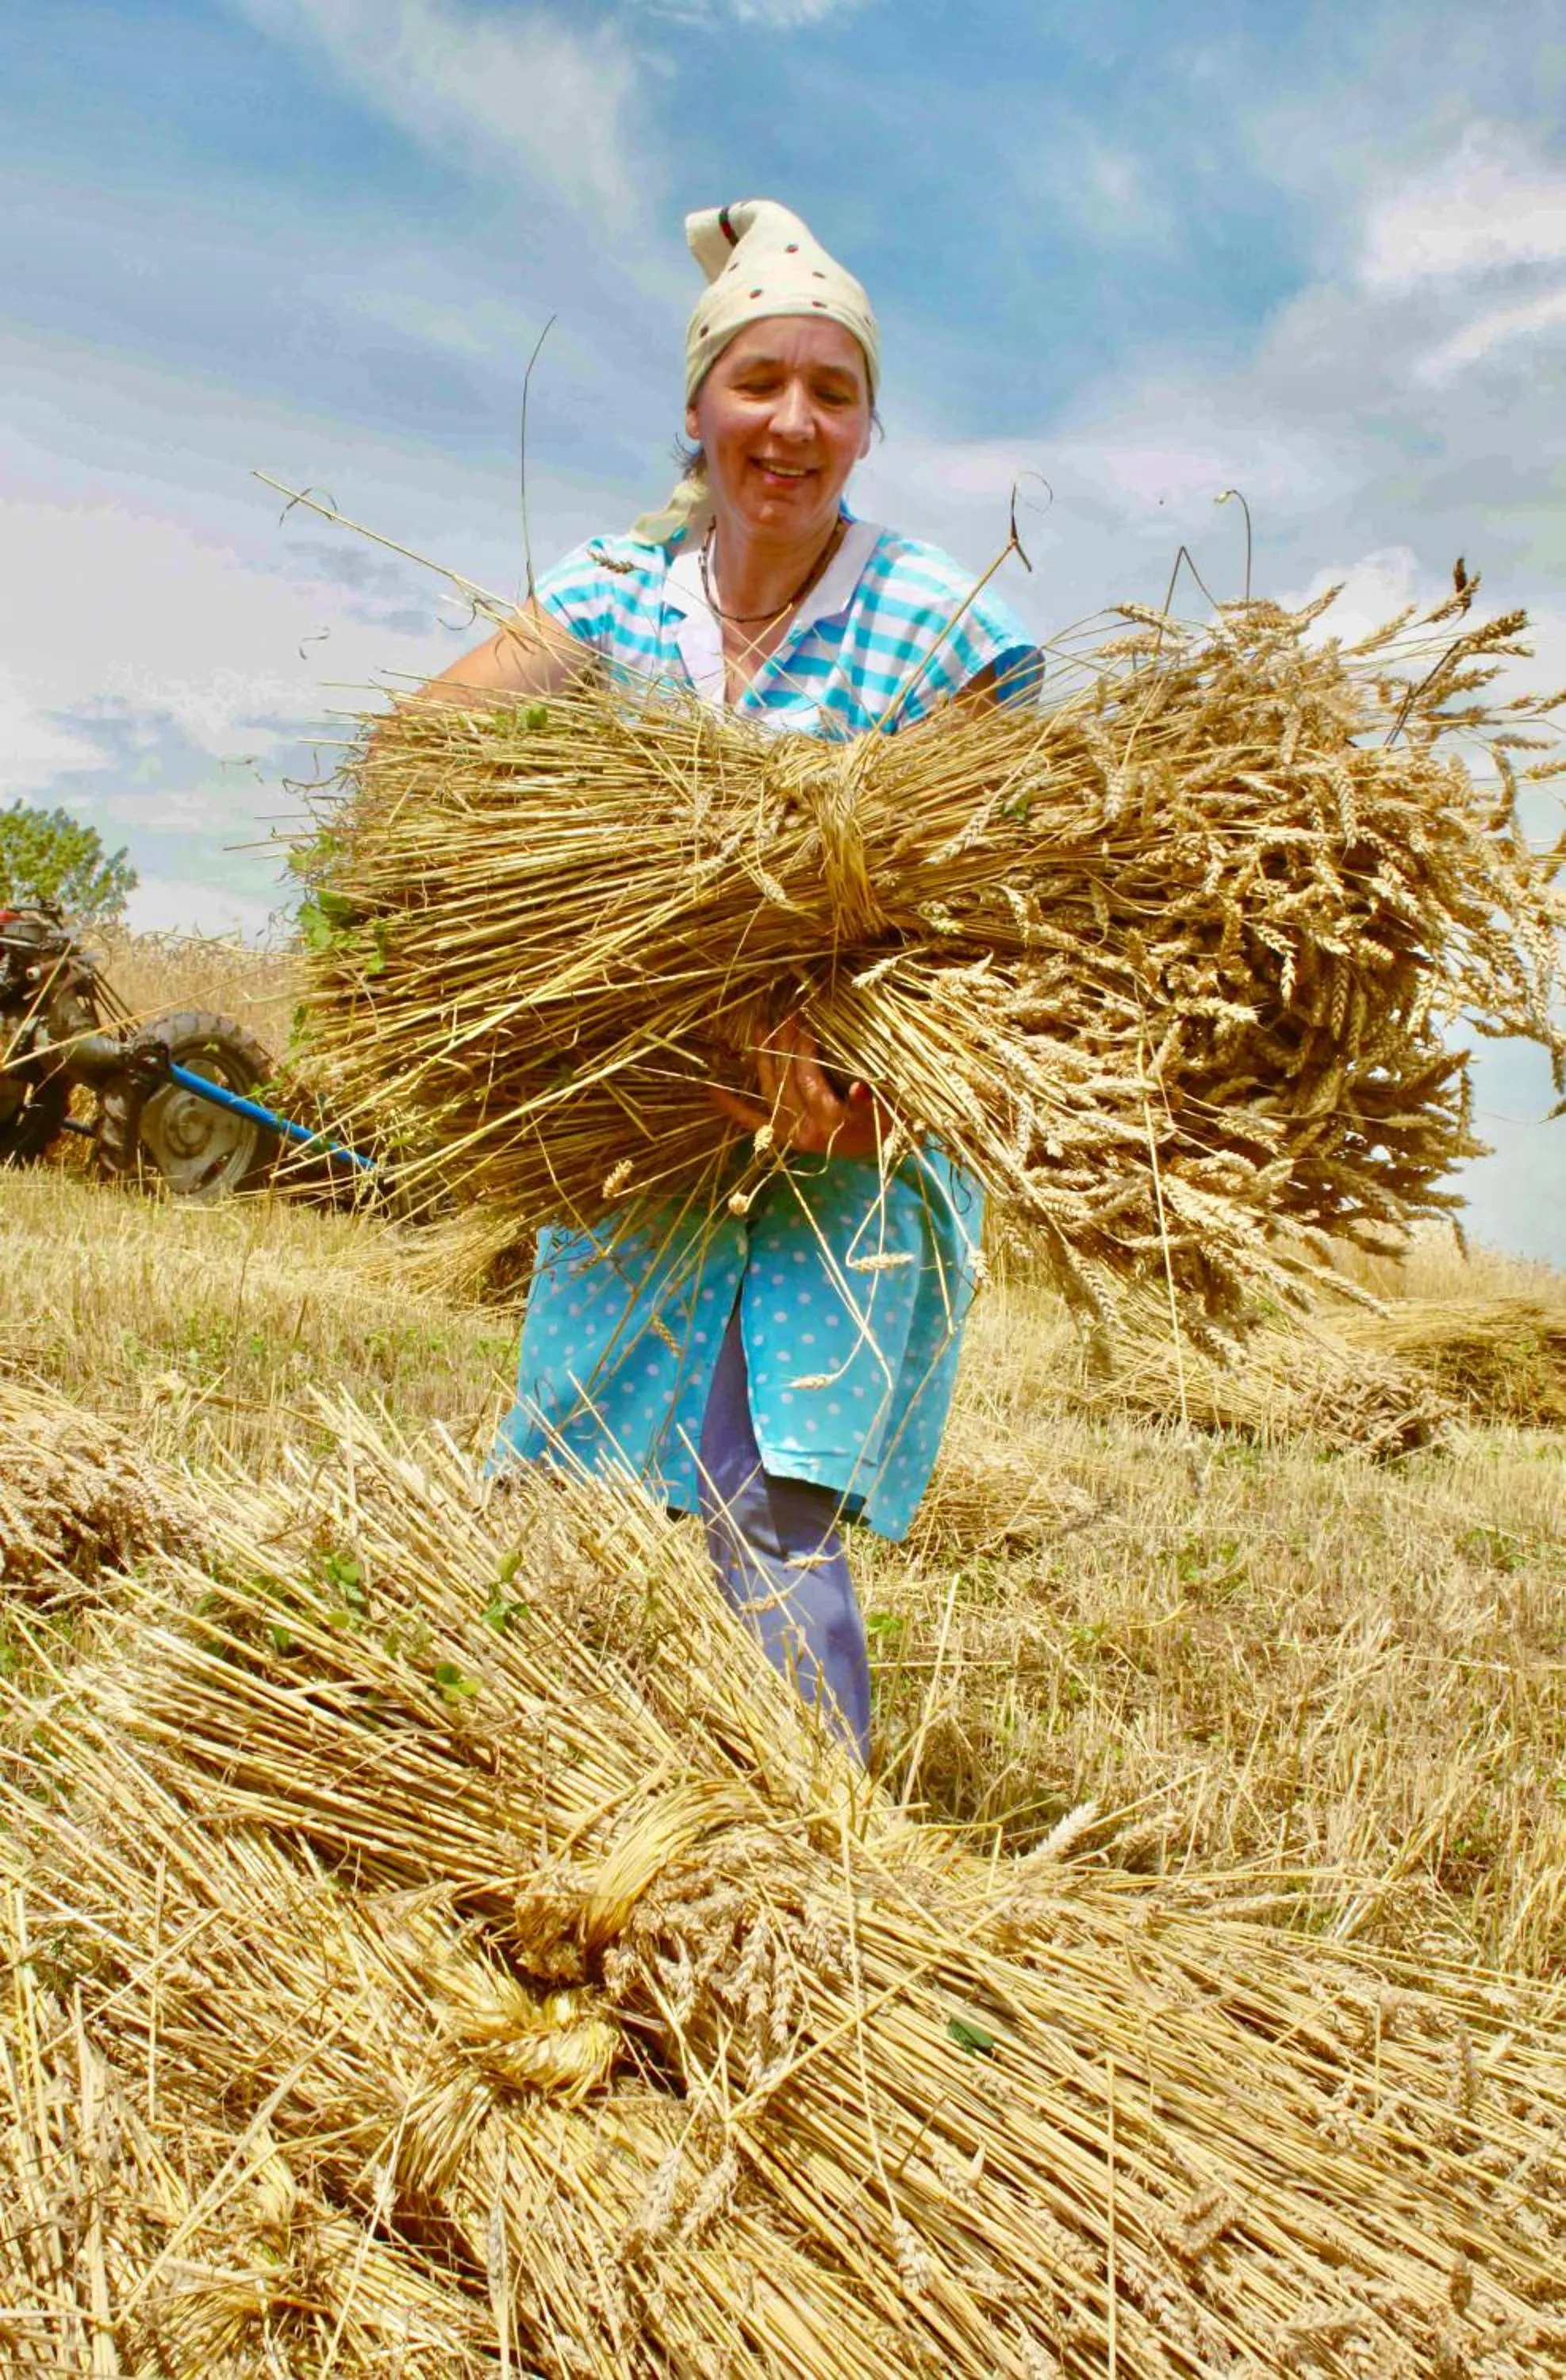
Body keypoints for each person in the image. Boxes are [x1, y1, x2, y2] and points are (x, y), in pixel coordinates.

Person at [431, 199, 1038, 1764]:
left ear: (867, 429)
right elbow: (421, 750)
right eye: (760, 381)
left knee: (764, 1498)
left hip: (846, 1139)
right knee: (578, 1472)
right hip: (652, 1132)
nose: (794, 420)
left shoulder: (937, 627)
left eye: (834, 393)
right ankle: (559, 1794)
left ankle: (811, 1870)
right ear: (697, 407)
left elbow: (1007, 929)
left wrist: (864, 1093)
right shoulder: (625, 589)